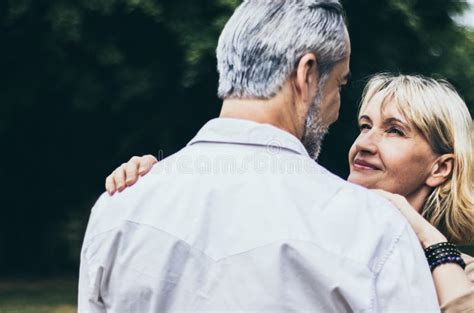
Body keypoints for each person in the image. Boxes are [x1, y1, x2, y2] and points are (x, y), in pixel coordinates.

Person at [79, 1, 440, 312]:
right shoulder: (372, 229)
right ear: (307, 73)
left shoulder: (118, 210)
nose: (336, 108)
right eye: (340, 86)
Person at [109, 74, 474, 312]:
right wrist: (159, 181)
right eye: (365, 126)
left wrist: (423, 234)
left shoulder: (465, 275)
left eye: (394, 130)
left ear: (440, 167)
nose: (365, 143)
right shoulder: (311, 222)